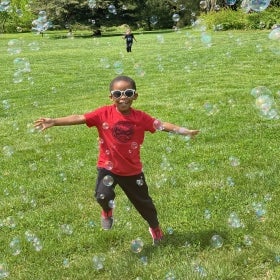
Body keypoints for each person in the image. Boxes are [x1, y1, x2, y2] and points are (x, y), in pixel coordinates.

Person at [34, 76, 199, 245]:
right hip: (108, 168)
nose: (123, 97)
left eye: (128, 92)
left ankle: (155, 228)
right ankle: (107, 211)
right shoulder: (103, 113)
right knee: (102, 196)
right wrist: (54, 121)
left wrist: (184, 131)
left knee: (145, 205)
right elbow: (80, 117)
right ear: (111, 97)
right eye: (118, 93)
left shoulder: (141, 118)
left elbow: (162, 125)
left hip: (132, 171)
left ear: (135, 96)